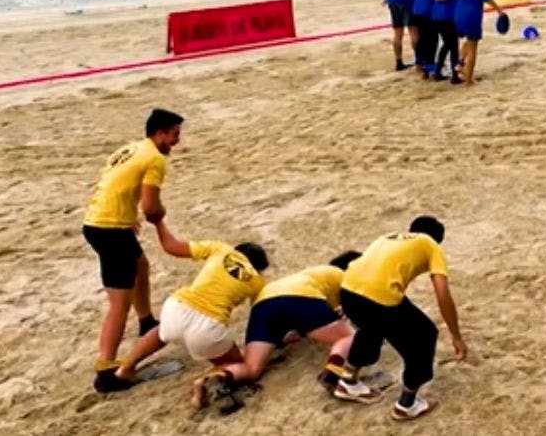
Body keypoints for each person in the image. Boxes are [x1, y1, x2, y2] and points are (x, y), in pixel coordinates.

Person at [108, 221, 269, 408]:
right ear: (258, 268)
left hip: (176, 308)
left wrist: (159, 223)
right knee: (239, 364)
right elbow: (261, 315)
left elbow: (172, 247)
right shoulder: (258, 282)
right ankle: (205, 381)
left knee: (162, 332)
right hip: (207, 331)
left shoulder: (221, 248)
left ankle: (125, 369)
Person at [84, 108, 183, 393]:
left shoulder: (130, 149)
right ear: (160, 132)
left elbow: (113, 187)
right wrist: (157, 215)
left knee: (141, 266)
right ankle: (106, 370)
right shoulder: (154, 159)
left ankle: (146, 321)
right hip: (110, 231)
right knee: (118, 303)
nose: (176, 141)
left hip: (99, 222)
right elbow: (151, 208)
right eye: (174, 135)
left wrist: (127, 219)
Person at [331, 216, 467, 421]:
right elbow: (442, 294)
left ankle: (348, 381)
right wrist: (456, 335)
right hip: (379, 298)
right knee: (424, 334)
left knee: (372, 328)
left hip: (348, 291)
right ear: (437, 240)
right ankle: (407, 404)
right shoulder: (430, 245)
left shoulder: (387, 237)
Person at [196, 251, 364, 403]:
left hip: (263, 305)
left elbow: (309, 320)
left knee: (252, 368)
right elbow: (341, 312)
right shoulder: (339, 274)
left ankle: (218, 377)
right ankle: (332, 374)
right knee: (346, 336)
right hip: (300, 295)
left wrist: (281, 339)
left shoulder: (309, 275)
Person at [453, 0, 505, 87]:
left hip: (458, 14)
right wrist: (499, 11)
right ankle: (469, 81)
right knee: (473, 48)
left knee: (468, 41)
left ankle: (459, 64)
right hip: (472, 16)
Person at [413, 0, 452, 79]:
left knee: (422, 38)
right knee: (432, 39)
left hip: (417, 9)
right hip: (427, 12)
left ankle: (420, 63)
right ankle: (430, 68)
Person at [431, 0, 467, 82]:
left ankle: (437, 71)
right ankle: (455, 76)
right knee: (453, 45)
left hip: (435, 14)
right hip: (448, 14)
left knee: (447, 44)